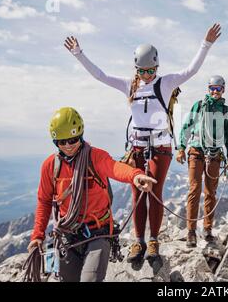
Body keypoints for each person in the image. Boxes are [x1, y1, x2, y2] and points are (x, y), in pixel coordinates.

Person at [63, 24, 222, 261]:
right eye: (142, 71)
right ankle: (139, 241)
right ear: (136, 69)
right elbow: (101, 75)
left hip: (160, 147)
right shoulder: (129, 85)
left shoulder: (166, 83)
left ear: (157, 67)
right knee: (137, 193)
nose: (146, 75)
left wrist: (205, 44)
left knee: (154, 191)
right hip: (137, 148)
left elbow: (192, 70)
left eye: (150, 71)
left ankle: (154, 240)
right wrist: (79, 54)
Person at [27, 107, 156, 282]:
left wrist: (135, 176)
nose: (67, 146)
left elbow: (114, 168)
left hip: (98, 232)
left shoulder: (95, 157)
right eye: (61, 142)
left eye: (72, 140)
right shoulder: (50, 166)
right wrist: (37, 236)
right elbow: (44, 201)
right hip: (67, 233)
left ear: (80, 135)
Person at [176, 75, 228, 248]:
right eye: (212, 88)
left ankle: (208, 230)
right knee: (194, 190)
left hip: (215, 154)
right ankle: (190, 232)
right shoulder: (199, 106)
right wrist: (181, 147)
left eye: (218, 89)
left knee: (210, 192)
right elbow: (187, 127)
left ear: (223, 90)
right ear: (208, 89)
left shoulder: (226, 112)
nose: (215, 91)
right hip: (196, 151)